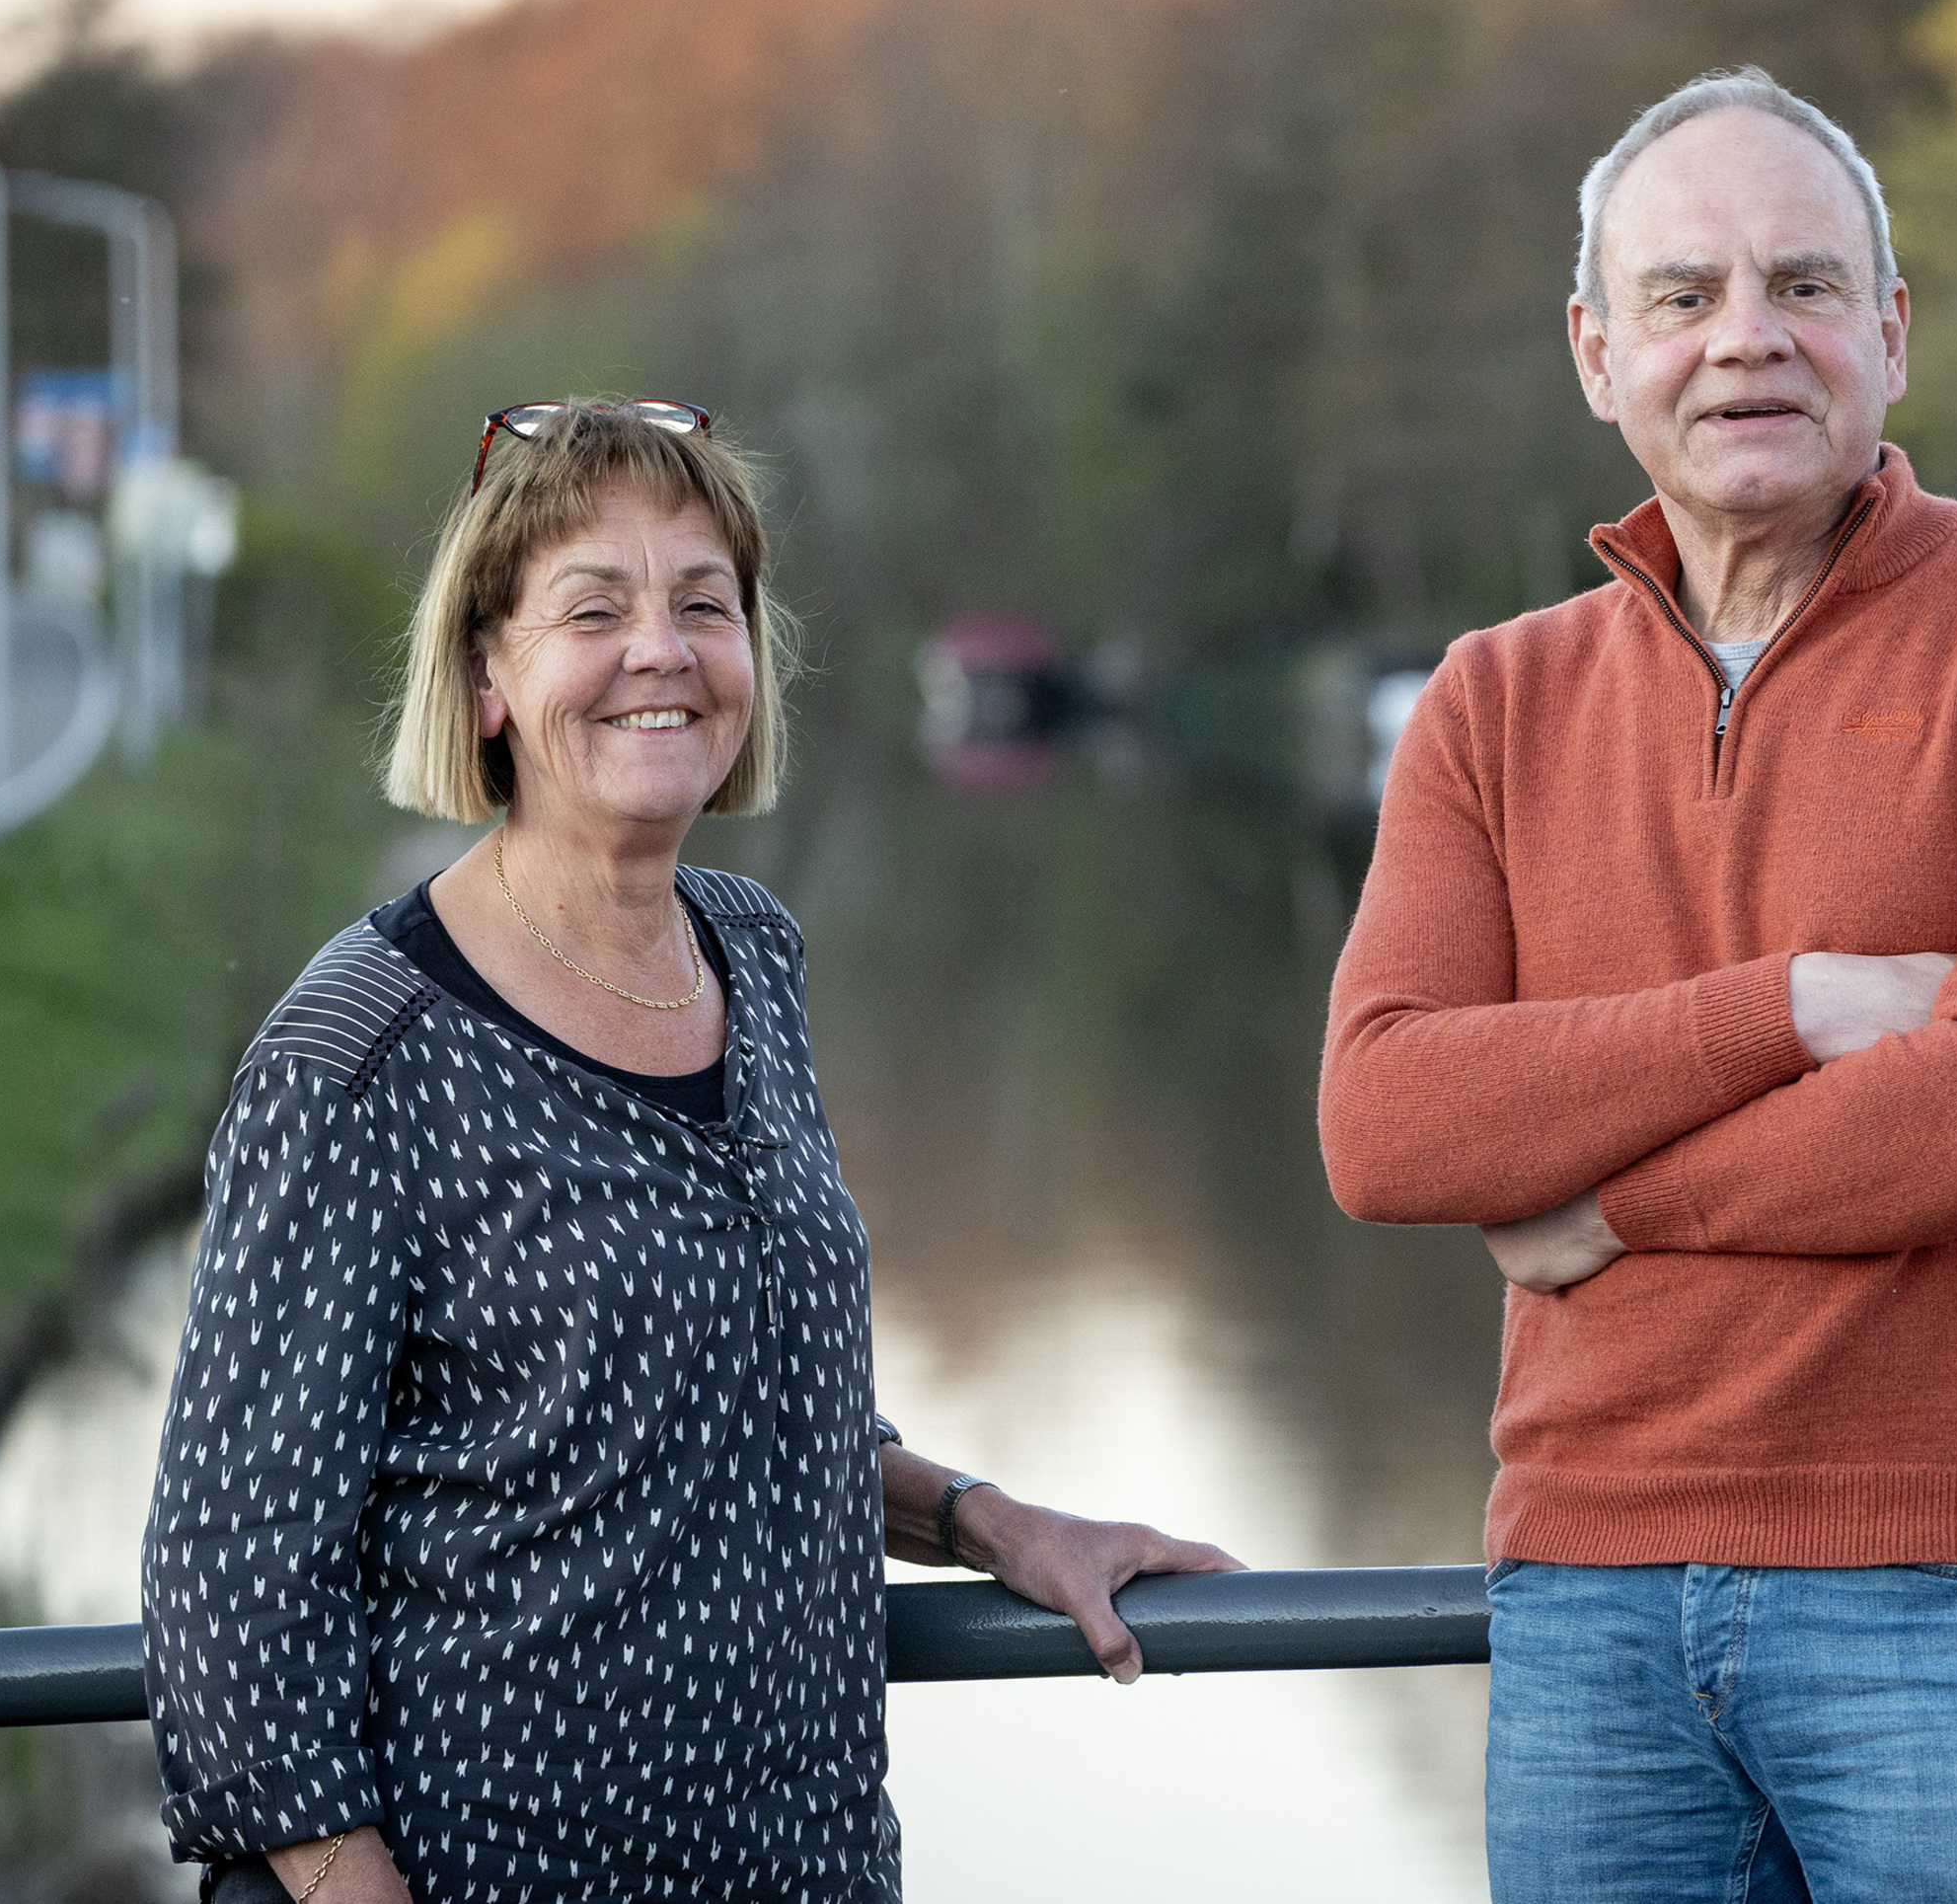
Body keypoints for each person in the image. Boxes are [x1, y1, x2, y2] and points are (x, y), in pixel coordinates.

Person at [142, 399, 1237, 1904]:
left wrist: (995, 1526)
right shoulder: (359, 1055)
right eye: (594, 608)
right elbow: (234, 1595)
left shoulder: (752, 954)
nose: (661, 649)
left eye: (703, 604)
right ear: (484, 680)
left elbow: (745, 1415)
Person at [1317, 68, 1957, 1900]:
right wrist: (1794, 1008)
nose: (1748, 340)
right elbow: (1386, 1120)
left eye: (1805, 288)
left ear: (1889, 334)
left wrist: (1606, 1206)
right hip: (1586, 1604)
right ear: (1595, 354)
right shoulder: (1492, 698)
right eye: (1683, 295)